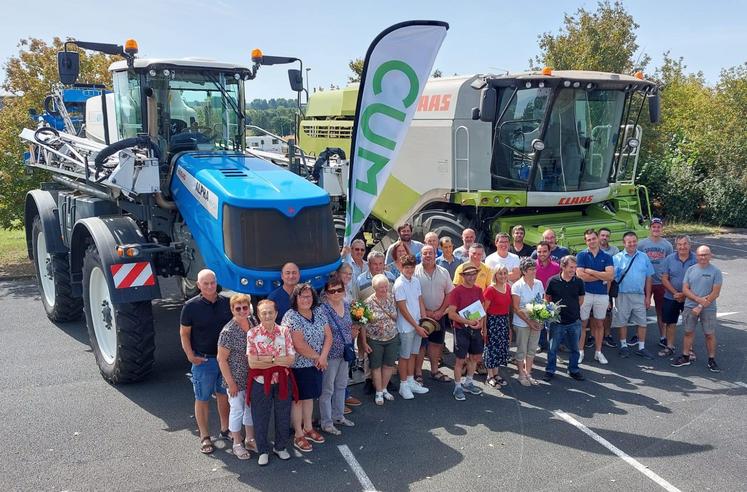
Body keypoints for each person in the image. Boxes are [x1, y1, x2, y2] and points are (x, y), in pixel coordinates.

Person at [179, 269, 232, 454]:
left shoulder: (227, 303)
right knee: (202, 398)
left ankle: (225, 430)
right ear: (198, 285)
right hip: (204, 361)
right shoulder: (190, 306)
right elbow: (184, 333)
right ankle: (205, 436)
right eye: (205, 283)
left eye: (212, 282)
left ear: (216, 282)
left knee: (224, 395)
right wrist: (190, 355)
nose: (210, 287)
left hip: (225, 360)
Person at [282, 283, 333, 453]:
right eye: (302, 296)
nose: (306, 299)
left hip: (317, 364)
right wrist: (319, 357)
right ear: (295, 298)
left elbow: (329, 336)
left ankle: (308, 427)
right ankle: (298, 434)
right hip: (299, 366)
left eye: (309, 296)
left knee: (310, 397)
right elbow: (299, 344)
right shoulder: (291, 316)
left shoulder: (319, 312)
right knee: (298, 400)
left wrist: (323, 356)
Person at [246, 299, 297, 466]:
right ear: (259, 315)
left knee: (283, 414)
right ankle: (263, 450)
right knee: (260, 416)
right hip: (260, 382)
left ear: (276, 313)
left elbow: (290, 360)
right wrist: (277, 359)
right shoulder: (252, 334)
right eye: (263, 313)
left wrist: (267, 359)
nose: (267, 315)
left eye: (270, 312)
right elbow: (253, 363)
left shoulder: (284, 332)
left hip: (282, 380)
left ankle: (280, 447)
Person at [217, 293, 258, 460]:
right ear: (232, 309)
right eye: (238, 308)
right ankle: (237, 443)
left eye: (245, 307)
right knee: (237, 410)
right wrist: (230, 383)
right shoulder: (228, 331)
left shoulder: (253, 322)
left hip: (252, 376)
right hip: (236, 378)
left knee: (250, 409)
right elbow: (221, 359)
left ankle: (250, 439)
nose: (242, 311)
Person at [671, 246, 723, 372]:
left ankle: (711, 359)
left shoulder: (716, 271)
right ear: (697, 256)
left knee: (709, 334)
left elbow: (715, 293)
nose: (703, 257)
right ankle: (686, 356)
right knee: (688, 332)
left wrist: (700, 305)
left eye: (705, 254)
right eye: (700, 255)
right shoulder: (691, 270)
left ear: (710, 255)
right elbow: (685, 289)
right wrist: (698, 300)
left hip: (708, 308)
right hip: (689, 306)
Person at [319, 275, 355, 435]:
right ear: (326, 293)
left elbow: (350, 326)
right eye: (332, 291)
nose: (336, 293)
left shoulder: (347, 306)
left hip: (345, 352)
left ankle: (338, 416)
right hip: (330, 354)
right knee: (327, 389)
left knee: (341, 385)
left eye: (339, 290)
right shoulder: (322, 310)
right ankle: (326, 422)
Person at [612, 231, 655, 359]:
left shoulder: (644, 257)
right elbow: (611, 279)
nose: (632, 244)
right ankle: (624, 346)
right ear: (623, 243)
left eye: (634, 241)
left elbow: (649, 278)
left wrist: (648, 297)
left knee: (642, 322)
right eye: (629, 242)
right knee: (622, 321)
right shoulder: (617, 258)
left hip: (639, 295)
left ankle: (641, 347)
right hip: (622, 294)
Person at [414, 245, 454, 383]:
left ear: (436, 254)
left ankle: (434, 370)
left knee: (436, 344)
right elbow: (414, 294)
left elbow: (449, 293)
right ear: (421, 255)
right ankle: (418, 373)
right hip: (421, 315)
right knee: (421, 345)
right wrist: (426, 312)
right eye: (425, 253)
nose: (428, 255)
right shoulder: (414, 272)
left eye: (431, 253)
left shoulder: (444, 272)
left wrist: (441, 311)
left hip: (439, 315)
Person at [393, 255, 430, 399]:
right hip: (406, 327)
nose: (409, 270)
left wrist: (424, 320)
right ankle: (403, 385)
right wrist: (416, 326)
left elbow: (420, 300)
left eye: (411, 267)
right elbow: (403, 309)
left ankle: (410, 381)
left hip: (418, 325)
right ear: (401, 268)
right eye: (406, 267)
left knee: (414, 354)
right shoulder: (399, 284)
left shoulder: (415, 281)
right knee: (404, 356)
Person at [575, 229, 614, 365]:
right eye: (588, 239)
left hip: (602, 295)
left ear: (597, 238)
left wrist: (591, 271)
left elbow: (610, 276)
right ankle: (580, 351)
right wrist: (600, 275)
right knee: (582, 324)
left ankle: (598, 352)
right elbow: (580, 276)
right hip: (585, 294)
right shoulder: (581, 255)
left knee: (599, 324)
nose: (591, 241)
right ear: (586, 241)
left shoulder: (607, 256)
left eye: (593, 238)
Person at [544, 256, 586, 382]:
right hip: (557, 322)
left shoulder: (579, 282)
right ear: (563, 266)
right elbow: (547, 298)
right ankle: (550, 370)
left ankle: (573, 370)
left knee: (575, 349)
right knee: (552, 349)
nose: (573, 270)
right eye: (571, 267)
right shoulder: (552, 281)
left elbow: (581, 300)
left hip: (575, 321)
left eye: (575, 267)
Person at [447, 264, 486, 400]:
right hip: (461, 329)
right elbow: (451, 314)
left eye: (474, 274)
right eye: (468, 274)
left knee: (475, 357)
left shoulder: (478, 290)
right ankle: (458, 386)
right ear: (463, 276)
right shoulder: (456, 292)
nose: (472, 277)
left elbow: (481, 310)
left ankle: (469, 382)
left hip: (475, 329)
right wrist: (469, 322)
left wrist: (480, 322)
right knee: (460, 360)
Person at [361, 274, 401, 405]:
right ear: (374, 288)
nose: (384, 290)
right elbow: (363, 325)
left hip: (392, 337)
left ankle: (384, 388)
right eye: (380, 288)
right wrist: (364, 342)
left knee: (389, 365)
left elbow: (397, 315)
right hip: (374, 339)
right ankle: (378, 392)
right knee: (376, 366)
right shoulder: (367, 303)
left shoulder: (392, 298)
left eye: (385, 286)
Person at [637, 218, 674, 348]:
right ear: (650, 228)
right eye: (654, 227)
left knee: (660, 310)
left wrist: (669, 279)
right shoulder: (642, 244)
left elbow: (670, 263)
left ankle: (663, 336)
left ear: (661, 229)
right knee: (640, 310)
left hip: (660, 282)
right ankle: (638, 336)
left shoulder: (667, 245)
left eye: (658, 227)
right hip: (644, 281)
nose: (656, 229)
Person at [659, 236, 697, 358]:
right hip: (671, 297)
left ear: (690, 245)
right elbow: (664, 278)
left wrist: (685, 294)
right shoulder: (669, 259)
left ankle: (689, 349)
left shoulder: (696, 259)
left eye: (685, 244)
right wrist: (675, 293)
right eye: (679, 244)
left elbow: (699, 280)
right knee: (670, 323)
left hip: (690, 298)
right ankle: (669, 346)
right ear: (676, 246)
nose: (682, 247)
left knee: (689, 324)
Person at [511, 258, 545, 386]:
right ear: (524, 271)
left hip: (536, 322)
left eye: (534, 268)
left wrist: (541, 319)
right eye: (531, 269)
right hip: (521, 323)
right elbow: (516, 307)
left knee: (531, 349)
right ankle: (521, 374)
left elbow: (541, 303)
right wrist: (529, 322)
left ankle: (528, 373)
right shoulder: (517, 286)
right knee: (522, 350)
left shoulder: (539, 283)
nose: (534, 271)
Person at [483, 266, 512, 388]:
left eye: (505, 273)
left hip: (504, 321)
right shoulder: (490, 290)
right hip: (492, 322)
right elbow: (483, 311)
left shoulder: (508, 287)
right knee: (491, 349)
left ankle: (496, 374)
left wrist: (509, 326)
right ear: (495, 275)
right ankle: (489, 376)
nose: (503, 276)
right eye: (500, 273)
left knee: (500, 348)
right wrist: (483, 328)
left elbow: (508, 308)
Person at [534, 241, 560, 352]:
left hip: (552, 299)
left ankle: (554, 345)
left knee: (552, 324)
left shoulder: (556, 267)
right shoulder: (532, 265)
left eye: (545, 251)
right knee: (539, 323)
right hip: (537, 299)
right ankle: (540, 343)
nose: (542, 254)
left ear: (549, 252)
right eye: (539, 251)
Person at [599, 228, 619, 348]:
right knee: (592, 313)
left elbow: (613, 271)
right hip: (594, 284)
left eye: (607, 236)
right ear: (598, 236)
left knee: (607, 311)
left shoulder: (614, 250)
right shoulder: (591, 250)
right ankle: (592, 336)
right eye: (602, 235)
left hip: (609, 284)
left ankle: (607, 335)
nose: (604, 238)